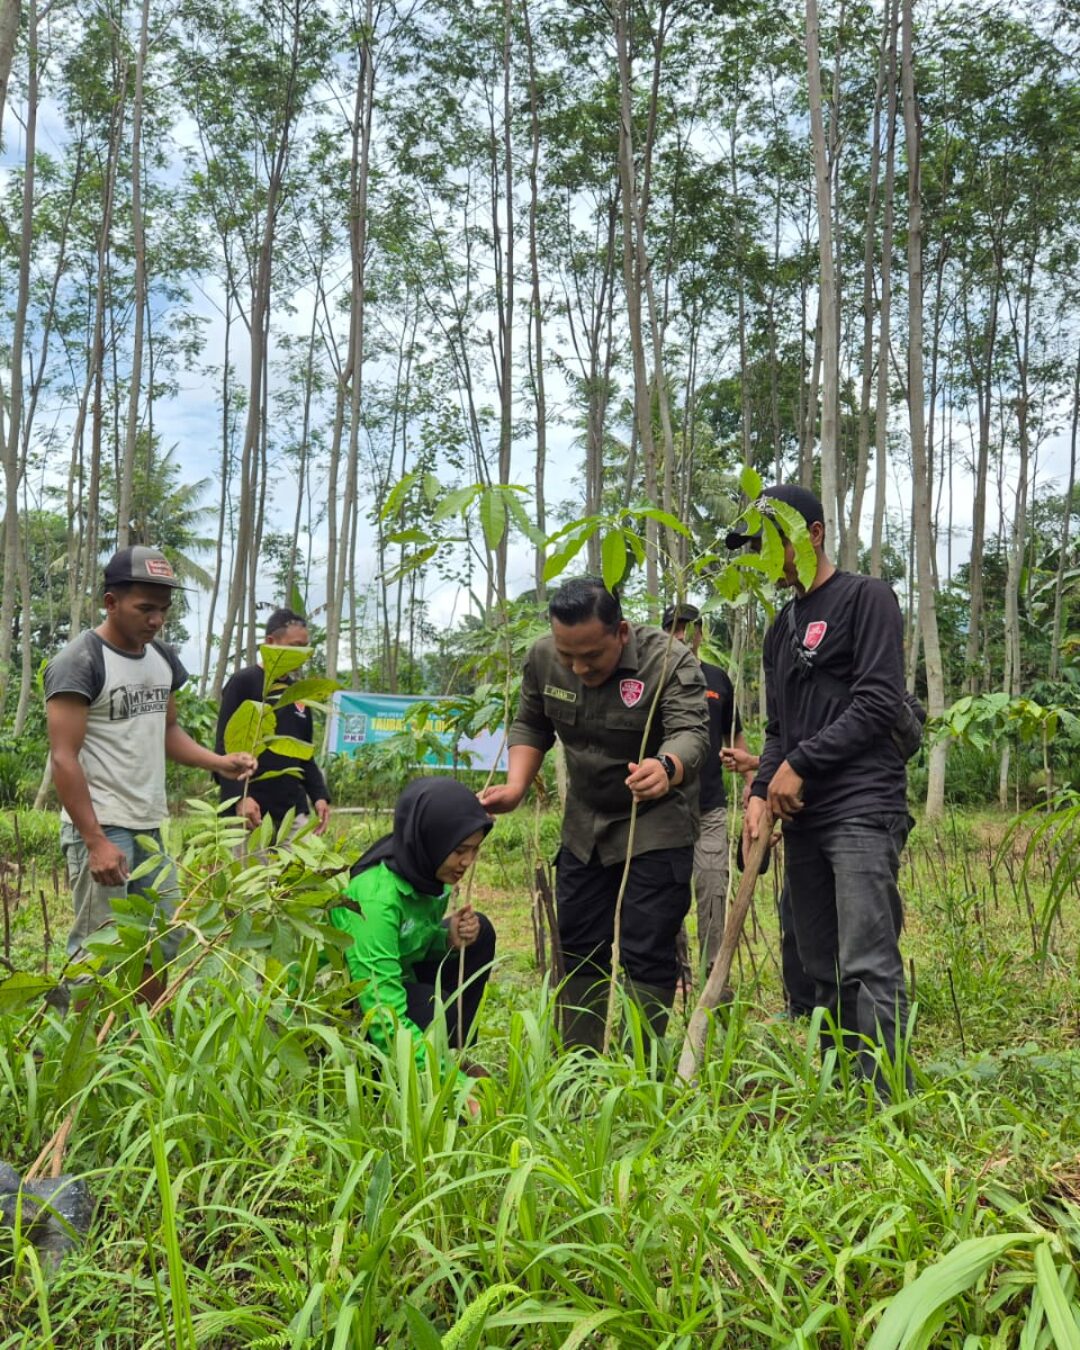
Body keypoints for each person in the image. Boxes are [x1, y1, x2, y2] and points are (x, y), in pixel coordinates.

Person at [733, 484, 914, 1091]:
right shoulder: (779, 628)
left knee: (866, 958)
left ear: (814, 534)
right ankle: (844, 1086)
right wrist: (760, 792)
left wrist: (803, 762)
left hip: (862, 805)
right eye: (756, 548)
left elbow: (879, 701)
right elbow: (778, 729)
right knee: (818, 962)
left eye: (774, 543)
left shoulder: (867, 598)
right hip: (802, 815)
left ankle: (885, 1094)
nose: (765, 558)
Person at [480, 576, 709, 1047]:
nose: (579, 667)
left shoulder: (668, 659)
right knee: (578, 942)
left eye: (591, 655)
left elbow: (692, 733)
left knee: (647, 945)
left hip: (655, 822)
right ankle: (579, 1061)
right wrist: (517, 786)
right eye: (568, 656)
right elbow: (531, 722)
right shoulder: (543, 658)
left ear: (621, 632)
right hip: (584, 827)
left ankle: (638, 1067)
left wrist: (666, 766)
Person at [45, 547, 257, 1002]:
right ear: (111, 602)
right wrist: (95, 841)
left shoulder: (161, 657)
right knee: (97, 948)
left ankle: (139, 1031)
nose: (157, 619)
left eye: (164, 609)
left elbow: (168, 730)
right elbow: (64, 758)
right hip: (102, 825)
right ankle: (76, 1039)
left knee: (165, 935)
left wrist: (220, 762)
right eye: (145, 608)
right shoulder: (80, 661)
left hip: (149, 827)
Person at [328, 778, 497, 1094]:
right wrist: (456, 1090)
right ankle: (391, 1077)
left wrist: (446, 940)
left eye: (475, 849)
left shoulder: (428, 873)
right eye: (460, 850)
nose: (467, 862)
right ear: (430, 840)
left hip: (397, 976)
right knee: (436, 1009)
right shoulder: (375, 901)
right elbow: (382, 1013)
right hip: (353, 1010)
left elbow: (408, 942)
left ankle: (452, 1052)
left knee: (480, 932)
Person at [661, 603, 755, 980]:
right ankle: (675, 972)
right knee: (668, 892)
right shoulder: (654, 678)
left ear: (701, 633)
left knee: (713, 885)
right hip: (664, 808)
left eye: (689, 628)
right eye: (674, 628)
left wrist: (752, 783)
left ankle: (714, 975)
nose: (682, 635)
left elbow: (736, 735)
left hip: (710, 806)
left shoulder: (718, 679)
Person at [214, 608, 331, 837]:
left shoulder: (298, 693)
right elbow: (224, 747)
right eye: (295, 646)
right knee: (250, 861)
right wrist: (240, 797)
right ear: (270, 642)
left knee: (306, 859)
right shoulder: (243, 682)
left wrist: (319, 795)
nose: (302, 655)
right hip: (250, 808)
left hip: (291, 809)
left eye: (305, 647)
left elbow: (304, 752)